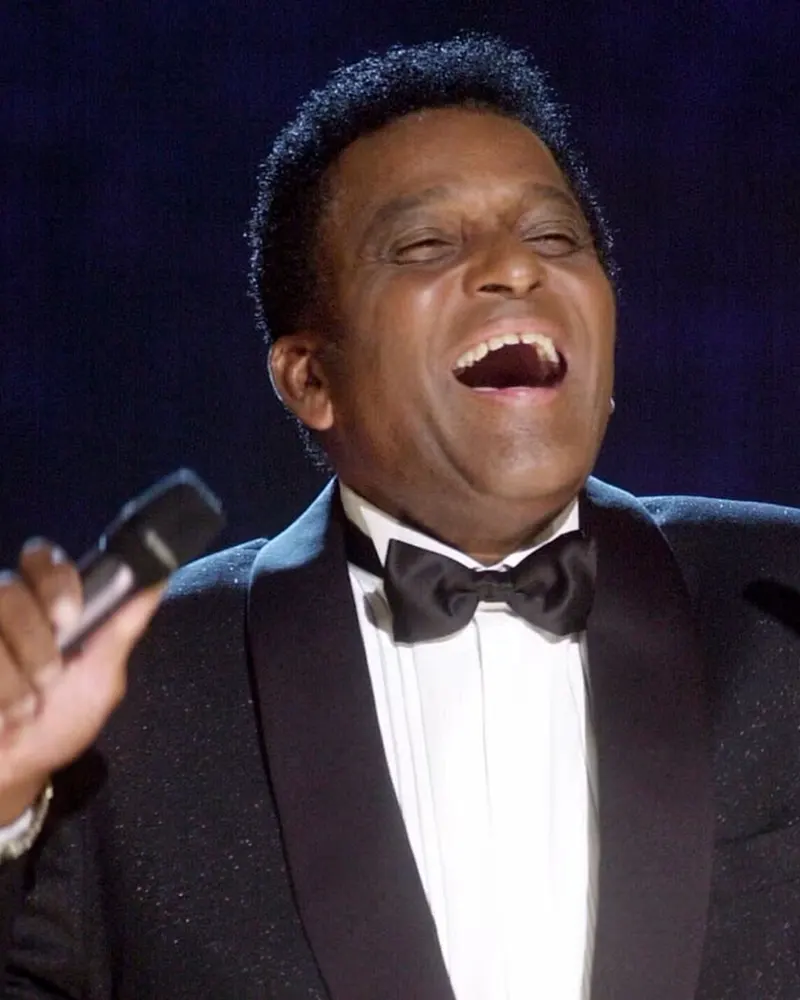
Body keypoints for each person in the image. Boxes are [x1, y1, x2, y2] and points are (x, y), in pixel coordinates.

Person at [0, 34, 798, 1000]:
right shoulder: (133, 692)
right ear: (310, 378)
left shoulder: (780, 608)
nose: (516, 270)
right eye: (426, 245)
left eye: (556, 239)